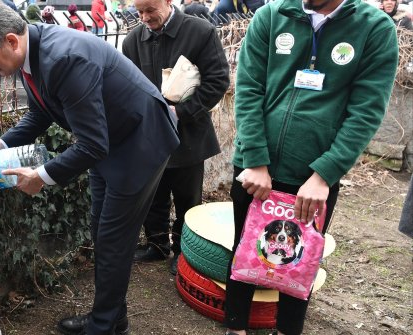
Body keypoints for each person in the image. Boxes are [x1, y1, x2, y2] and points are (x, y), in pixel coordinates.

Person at [0, 1, 180, 334]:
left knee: (114, 239)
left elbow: (92, 145)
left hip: (139, 142)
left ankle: (104, 327)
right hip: (109, 141)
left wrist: (41, 178)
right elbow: (40, 113)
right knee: (103, 234)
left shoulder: (62, 59)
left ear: (11, 41)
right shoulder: (31, 54)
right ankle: (111, 317)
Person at [224, 0, 399, 332]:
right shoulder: (272, 16)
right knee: (244, 249)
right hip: (256, 170)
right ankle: (235, 326)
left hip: (313, 178)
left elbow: (366, 110)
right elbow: (248, 89)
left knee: (302, 259)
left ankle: (287, 329)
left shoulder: (374, 28)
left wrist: (325, 173)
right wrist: (256, 160)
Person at [122, 0, 228, 275]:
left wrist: (180, 112)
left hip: (189, 133)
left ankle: (184, 250)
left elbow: (217, 80)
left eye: (150, 10)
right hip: (150, 134)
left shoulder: (200, 31)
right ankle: (156, 244)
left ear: (168, 2)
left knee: (187, 198)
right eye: (139, 12)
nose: (144, 17)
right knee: (153, 194)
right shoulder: (133, 40)